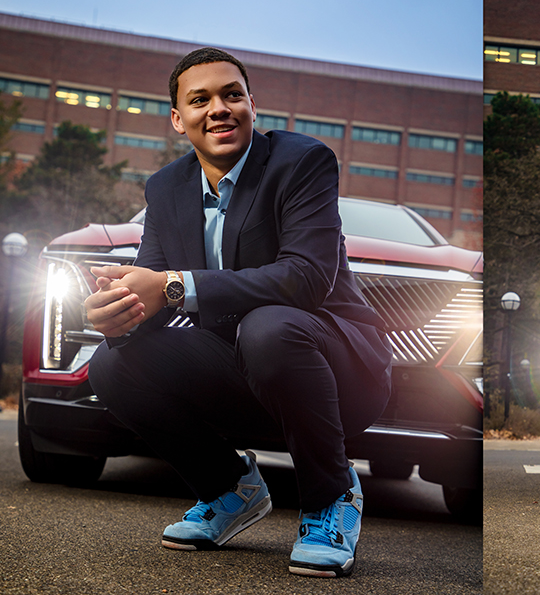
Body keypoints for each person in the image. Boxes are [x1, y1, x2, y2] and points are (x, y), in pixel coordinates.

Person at [84, 47, 393, 577]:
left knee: (268, 327)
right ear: (178, 119)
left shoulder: (302, 162)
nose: (219, 109)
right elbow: (152, 290)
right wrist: (120, 310)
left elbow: (304, 279)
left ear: (253, 105)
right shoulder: (166, 188)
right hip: (240, 372)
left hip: (338, 372)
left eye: (232, 95)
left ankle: (331, 497)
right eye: (200, 100)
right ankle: (229, 490)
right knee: (112, 363)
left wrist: (173, 286)